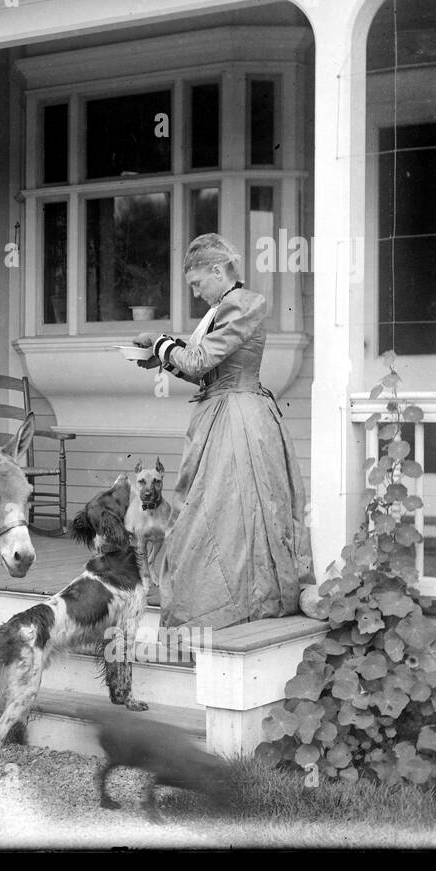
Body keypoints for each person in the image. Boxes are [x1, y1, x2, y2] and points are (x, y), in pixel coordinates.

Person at [131, 233, 311, 629]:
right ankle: (229, 599)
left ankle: (243, 602)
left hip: (239, 419)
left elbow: (197, 361)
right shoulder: (220, 309)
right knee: (217, 513)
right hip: (220, 413)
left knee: (224, 512)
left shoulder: (244, 304)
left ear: (217, 271)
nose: (195, 292)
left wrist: (163, 344)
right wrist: (161, 357)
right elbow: (203, 371)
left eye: (198, 282)